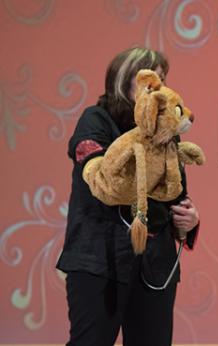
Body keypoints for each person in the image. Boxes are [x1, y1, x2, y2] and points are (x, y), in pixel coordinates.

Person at [57, 47, 200, 346]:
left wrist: (188, 219)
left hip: (155, 264)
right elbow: (102, 180)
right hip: (100, 259)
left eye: (164, 80)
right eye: (154, 81)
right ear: (128, 82)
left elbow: (176, 194)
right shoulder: (95, 120)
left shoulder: (166, 133)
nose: (161, 89)